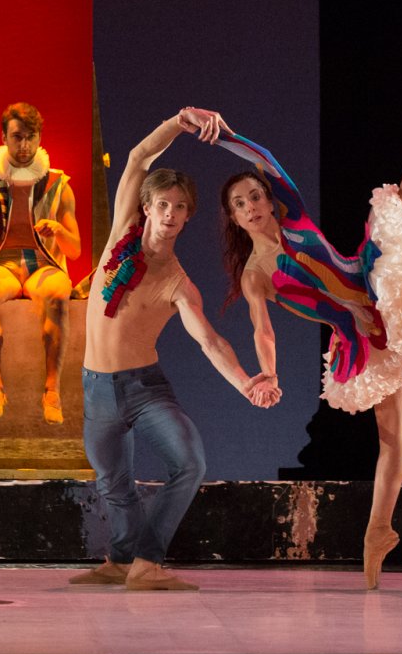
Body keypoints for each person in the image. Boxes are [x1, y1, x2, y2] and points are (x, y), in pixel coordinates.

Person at [215, 24, 402, 589]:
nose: (250, 206)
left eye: (253, 197)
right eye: (239, 204)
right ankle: (378, 529)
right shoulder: (255, 275)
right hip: (359, 334)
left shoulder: (292, 213)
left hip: (370, 276)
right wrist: (266, 371)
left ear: (267, 202)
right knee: (392, 434)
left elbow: (264, 156)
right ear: (233, 217)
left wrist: (222, 136)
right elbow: (263, 331)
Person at [70, 108, 281, 592]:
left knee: (190, 463)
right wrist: (181, 119)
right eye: (163, 204)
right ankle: (121, 562)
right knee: (114, 485)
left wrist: (247, 382)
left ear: (188, 216)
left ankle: (148, 561)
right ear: (147, 208)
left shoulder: (179, 284)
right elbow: (139, 155)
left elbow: (209, 340)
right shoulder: (121, 233)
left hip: (146, 388)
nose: (170, 214)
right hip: (97, 388)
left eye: (180, 207)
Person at [0, 103, 82, 424]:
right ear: (4, 138)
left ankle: (51, 389)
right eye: (17, 137)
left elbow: (75, 249)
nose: (24, 145)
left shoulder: (57, 183)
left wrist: (59, 229)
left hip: (44, 266)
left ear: (40, 138)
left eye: (31, 137)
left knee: (57, 295)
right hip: (5, 266)